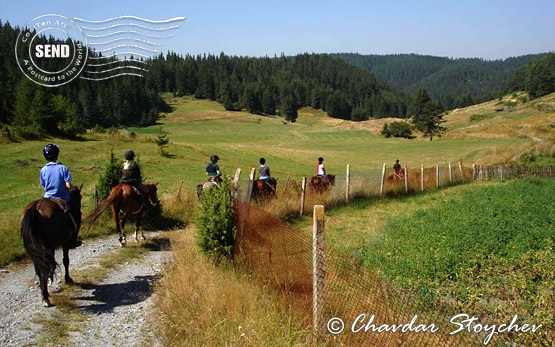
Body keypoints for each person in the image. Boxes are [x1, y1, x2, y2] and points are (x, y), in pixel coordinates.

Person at [40, 144, 82, 248]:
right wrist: (74, 189)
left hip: (47, 197)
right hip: (62, 198)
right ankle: (73, 239)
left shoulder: (43, 170)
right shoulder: (63, 168)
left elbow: (43, 186)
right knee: (76, 215)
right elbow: (68, 185)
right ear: (57, 155)